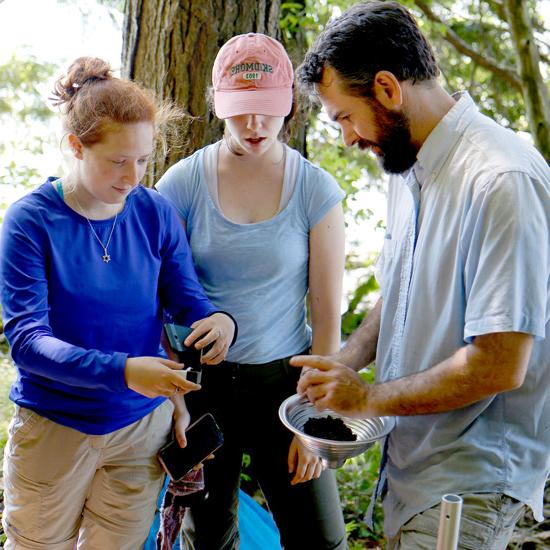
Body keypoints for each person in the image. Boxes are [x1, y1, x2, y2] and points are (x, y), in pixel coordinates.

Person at [292, 2, 550, 549]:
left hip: (471, 485)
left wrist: (366, 399)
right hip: (413, 472)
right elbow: (400, 292)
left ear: (387, 89)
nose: (346, 138)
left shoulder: (501, 179)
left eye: (343, 116)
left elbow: (500, 363)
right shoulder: (408, 167)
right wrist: (347, 361)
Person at [0, 57, 236, 550]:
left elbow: (184, 297)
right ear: (75, 147)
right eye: (117, 160)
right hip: (54, 429)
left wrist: (216, 321)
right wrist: (124, 370)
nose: (133, 177)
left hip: (140, 429)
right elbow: (27, 343)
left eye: (144, 160)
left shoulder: (155, 212)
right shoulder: (29, 222)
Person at [156, 33, 347, 550]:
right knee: (208, 538)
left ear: (287, 104)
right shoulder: (181, 184)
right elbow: (154, 298)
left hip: (283, 387)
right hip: (204, 390)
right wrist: (174, 398)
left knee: (321, 539)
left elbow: (327, 317)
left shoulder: (315, 190)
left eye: (266, 110)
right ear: (220, 104)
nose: (255, 124)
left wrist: (315, 422)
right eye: (241, 111)